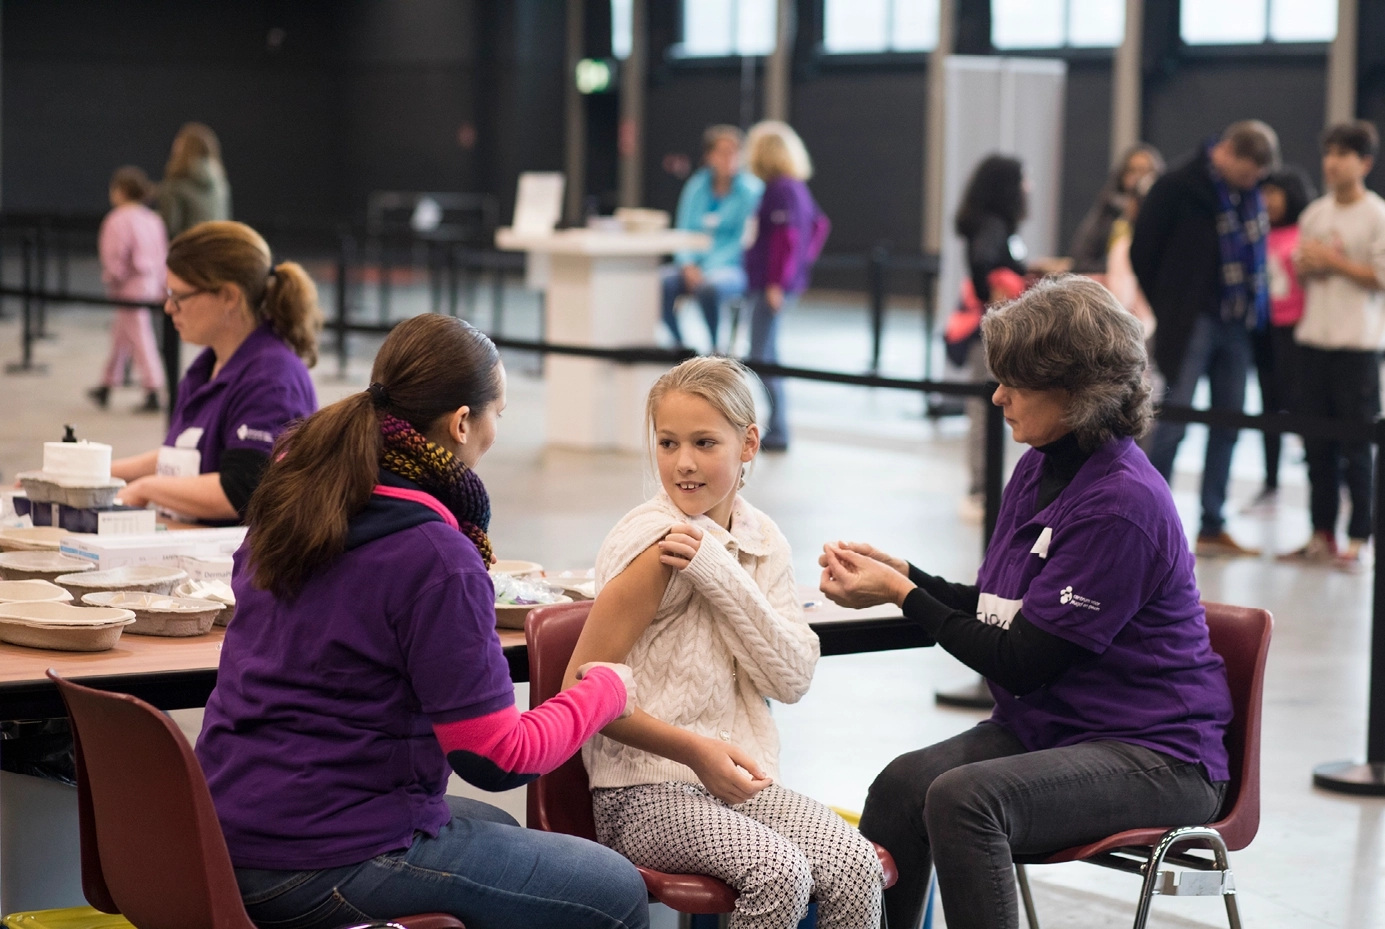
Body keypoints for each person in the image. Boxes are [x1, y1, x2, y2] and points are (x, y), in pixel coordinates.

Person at [195, 315, 649, 929]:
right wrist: (605, 690)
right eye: (499, 413)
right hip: (318, 859)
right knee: (614, 889)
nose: (497, 430)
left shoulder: (295, 506)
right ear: (463, 423)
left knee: (498, 829)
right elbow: (497, 759)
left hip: (222, 836)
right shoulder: (435, 556)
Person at [819, 277, 1233, 929]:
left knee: (963, 799)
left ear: (1076, 391)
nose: (997, 395)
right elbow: (999, 608)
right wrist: (907, 575)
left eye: (1015, 381)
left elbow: (1021, 660)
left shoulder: (1121, 504)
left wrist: (902, 595)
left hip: (1157, 754)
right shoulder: (1039, 464)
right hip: (1058, 728)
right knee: (902, 785)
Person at [565, 356, 883, 929]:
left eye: (705, 443)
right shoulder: (653, 542)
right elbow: (579, 693)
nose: (683, 463)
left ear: (748, 444)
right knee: (779, 873)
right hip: (641, 792)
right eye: (667, 443)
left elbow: (791, 680)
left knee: (853, 861)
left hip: (737, 782)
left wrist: (719, 570)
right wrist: (695, 751)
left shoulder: (762, 541)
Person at [1132, 120, 1279, 557]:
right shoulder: (1177, 185)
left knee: (1228, 423)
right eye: (1248, 172)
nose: (1253, 183)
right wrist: (1173, 305)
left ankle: (1212, 525)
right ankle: (1147, 521)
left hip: (1237, 323)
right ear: (1229, 152)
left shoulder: (1247, 195)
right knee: (1170, 422)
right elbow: (1144, 251)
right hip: (1191, 323)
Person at [111, 222, 319, 525]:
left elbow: (242, 490)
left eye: (178, 296)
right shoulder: (207, 367)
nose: (169, 308)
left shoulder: (272, 378)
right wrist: (98, 471)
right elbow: (182, 455)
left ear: (228, 296)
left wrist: (146, 488)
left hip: (237, 566)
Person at [1283, 121, 1385, 568]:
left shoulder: (1377, 215)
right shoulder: (1315, 215)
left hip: (1356, 345)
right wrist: (1308, 267)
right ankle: (1320, 532)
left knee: (1356, 447)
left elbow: (1380, 278)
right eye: (1327, 153)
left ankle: (1361, 537)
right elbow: (1303, 271)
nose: (1331, 162)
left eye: (1342, 154)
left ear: (1363, 163)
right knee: (1316, 446)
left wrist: (1335, 262)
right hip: (1312, 343)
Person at [946, 155, 1030, 522]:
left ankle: (983, 484)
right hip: (987, 331)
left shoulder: (990, 224)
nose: (1028, 187)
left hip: (989, 327)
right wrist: (998, 294)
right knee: (986, 407)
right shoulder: (993, 226)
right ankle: (981, 486)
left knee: (988, 407)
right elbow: (984, 266)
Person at [743, 121, 830, 452]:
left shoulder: (781, 189)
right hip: (773, 284)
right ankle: (775, 426)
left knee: (761, 356)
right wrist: (800, 270)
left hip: (770, 287)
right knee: (768, 354)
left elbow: (786, 238)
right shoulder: (792, 188)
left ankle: (777, 428)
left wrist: (779, 281)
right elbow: (819, 225)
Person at [1246, 165, 1315, 512]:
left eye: (1275, 192)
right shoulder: (1257, 233)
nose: (1268, 200)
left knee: (1300, 404)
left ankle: (1324, 477)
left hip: (1297, 331)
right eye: (1265, 193)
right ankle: (1270, 480)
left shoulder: (1305, 232)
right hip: (1264, 329)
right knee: (1268, 405)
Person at [662, 125, 764, 350]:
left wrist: (707, 269)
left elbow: (745, 241)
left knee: (710, 286)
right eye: (723, 151)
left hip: (732, 266)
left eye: (735, 152)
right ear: (709, 156)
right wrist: (687, 264)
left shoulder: (752, 191)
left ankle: (716, 349)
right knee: (662, 281)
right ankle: (680, 346)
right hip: (694, 263)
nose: (730, 158)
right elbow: (684, 229)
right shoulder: (697, 186)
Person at [89, 165, 168, 414]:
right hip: (152, 283)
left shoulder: (117, 220)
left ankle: (153, 388)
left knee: (140, 337)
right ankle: (106, 385)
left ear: (121, 191)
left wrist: (113, 278)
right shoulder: (153, 219)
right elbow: (162, 253)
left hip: (129, 287)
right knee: (122, 335)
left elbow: (114, 256)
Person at [1068, 143, 1165, 273]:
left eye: (1144, 171)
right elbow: (1080, 259)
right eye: (1132, 170)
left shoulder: (1165, 217)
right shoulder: (1108, 212)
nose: (1138, 178)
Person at [158, 122, 232, 238]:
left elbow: (170, 226)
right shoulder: (220, 182)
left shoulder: (176, 183)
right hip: (216, 246)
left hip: (188, 249)